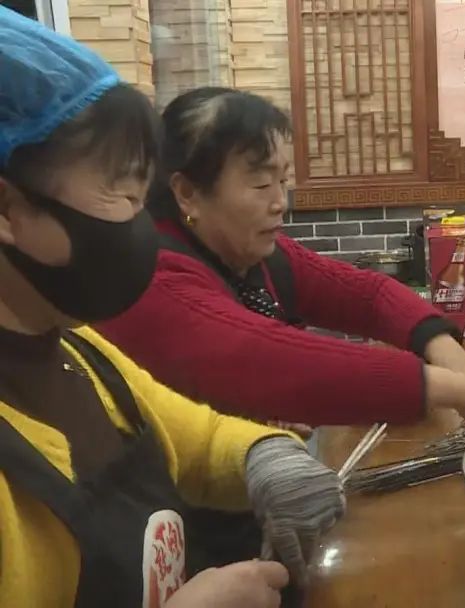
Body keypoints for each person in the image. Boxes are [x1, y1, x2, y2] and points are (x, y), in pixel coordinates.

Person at [0, 9, 343, 607]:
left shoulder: (78, 350)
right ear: (7, 210)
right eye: (123, 192)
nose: (143, 227)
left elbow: (195, 439)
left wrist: (265, 459)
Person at [97, 87, 465, 429]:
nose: (280, 203)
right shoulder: (154, 280)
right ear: (188, 193)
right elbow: (279, 361)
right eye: (260, 184)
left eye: (283, 181)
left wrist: (458, 361)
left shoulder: (249, 250)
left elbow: (367, 294)